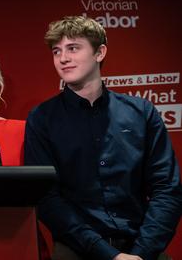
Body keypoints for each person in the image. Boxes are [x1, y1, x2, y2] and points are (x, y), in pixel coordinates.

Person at [24, 16, 182, 260]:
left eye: (73, 48)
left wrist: (142, 252)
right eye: (57, 51)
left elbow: (166, 189)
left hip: (142, 244)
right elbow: (47, 199)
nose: (63, 58)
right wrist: (108, 254)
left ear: (100, 53)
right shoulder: (42, 118)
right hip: (77, 246)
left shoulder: (141, 112)